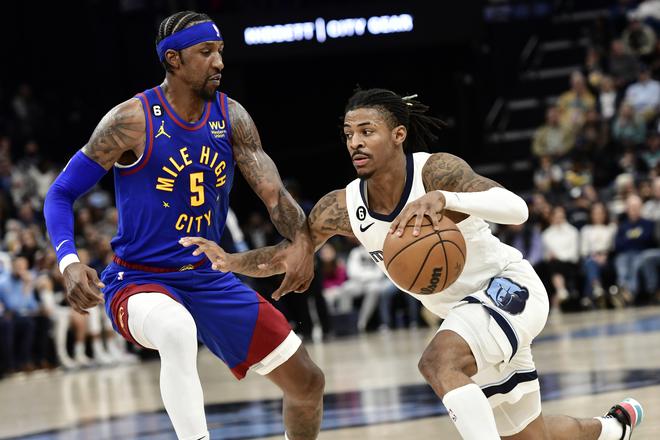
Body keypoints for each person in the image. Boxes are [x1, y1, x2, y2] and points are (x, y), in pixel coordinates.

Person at [183, 88, 645, 440]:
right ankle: (612, 429)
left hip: (510, 289)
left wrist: (447, 198)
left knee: (436, 362)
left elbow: (519, 209)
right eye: (348, 134)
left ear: (397, 134)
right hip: (465, 317)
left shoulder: (435, 172)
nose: (355, 143)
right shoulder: (341, 207)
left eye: (367, 131)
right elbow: (291, 254)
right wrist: (231, 261)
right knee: (531, 435)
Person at [44, 11, 324, 440]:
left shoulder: (231, 117)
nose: (219, 63)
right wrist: (68, 261)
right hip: (139, 280)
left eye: (221, 52)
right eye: (206, 52)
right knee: (177, 329)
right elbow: (60, 193)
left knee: (307, 383)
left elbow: (274, 195)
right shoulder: (132, 120)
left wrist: (302, 242)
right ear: (173, 59)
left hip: (208, 278)